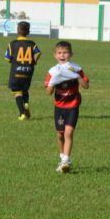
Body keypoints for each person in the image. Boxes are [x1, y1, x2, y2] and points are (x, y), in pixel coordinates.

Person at [44, 41, 89, 173]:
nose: (62, 55)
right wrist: (53, 82)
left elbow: (86, 86)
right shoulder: (52, 71)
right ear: (54, 55)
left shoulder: (76, 68)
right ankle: (62, 157)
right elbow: (48, 92)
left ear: (71, 54)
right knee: (60, 134)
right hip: (59, 107)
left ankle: (66, 160)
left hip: (73, 105)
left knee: (69, 132)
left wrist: (76, 76)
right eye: (59, 53)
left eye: (65, 52)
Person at [5, 21, 41, 120]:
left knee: (17, 92)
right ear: (28, 32)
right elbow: (38, 53)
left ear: (17, 30)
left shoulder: (13, 43)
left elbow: (7, 58)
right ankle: (26, 103)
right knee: (24, 89)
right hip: (28, 71)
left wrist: (13, 61)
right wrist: (34, 61)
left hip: (16, 71)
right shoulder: (31, 43)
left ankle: (22, 114)